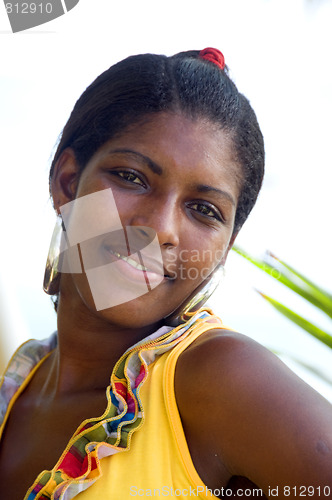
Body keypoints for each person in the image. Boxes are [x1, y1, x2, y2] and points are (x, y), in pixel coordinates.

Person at [0, 48, 331, 500]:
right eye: (132, 177)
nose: (159, 229)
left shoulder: (218, 382)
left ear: (225, 246)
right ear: (67, 181)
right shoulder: (16, 384)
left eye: (203, 209)